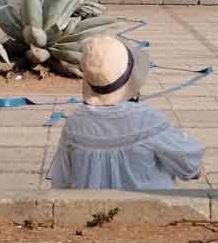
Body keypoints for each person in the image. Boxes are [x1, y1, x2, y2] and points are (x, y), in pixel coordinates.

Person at [46, 34, 204, 190]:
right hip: (146, 211)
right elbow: (191, 168)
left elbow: (61, 181)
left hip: (92, 214)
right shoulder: (149, 121)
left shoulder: (74, 124)